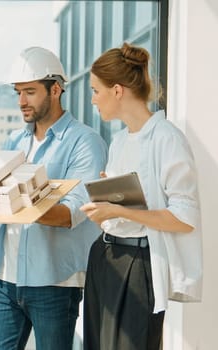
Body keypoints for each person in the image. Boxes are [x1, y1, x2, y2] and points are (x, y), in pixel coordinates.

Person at [0, 46, 108, 350]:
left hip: (54, 283)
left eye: (30, 92)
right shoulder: (14, 140)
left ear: (56, 89)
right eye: (18, 92)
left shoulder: (85, 143)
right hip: (5, 279)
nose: (22, 101)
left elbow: (71, 214)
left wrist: (15, 200)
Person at [80, 42, 202, 350]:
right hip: (104, 258)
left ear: (117, 90)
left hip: (139, 264)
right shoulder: (120, 141)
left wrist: (119, 210)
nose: (93, 99)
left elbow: (185, 218)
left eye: (96, 91)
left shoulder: (168, 139)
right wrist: (111, 199)